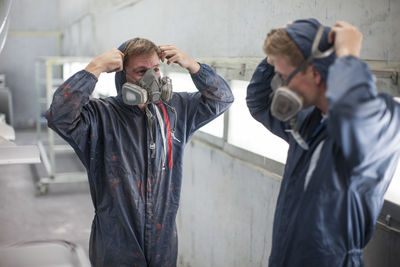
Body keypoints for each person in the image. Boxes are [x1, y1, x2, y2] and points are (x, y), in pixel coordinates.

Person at [46, 38, 233, 267]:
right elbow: (59, 116)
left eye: (155, 69)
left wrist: (193, 65)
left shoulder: (175, 111)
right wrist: (94, 68)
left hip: (163, 241)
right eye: (141, 71)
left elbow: (222, 98)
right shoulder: (99, 117)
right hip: (116, 243)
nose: (152, 78)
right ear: (122, 76)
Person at [246, 18, 400, 266]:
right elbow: (260, 102)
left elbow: (356, 120)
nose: (281, 87)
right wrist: (272, 59)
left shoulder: (381, 120)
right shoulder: (309, 123)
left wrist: (348, 56)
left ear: (314, 73)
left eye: (284, 77)